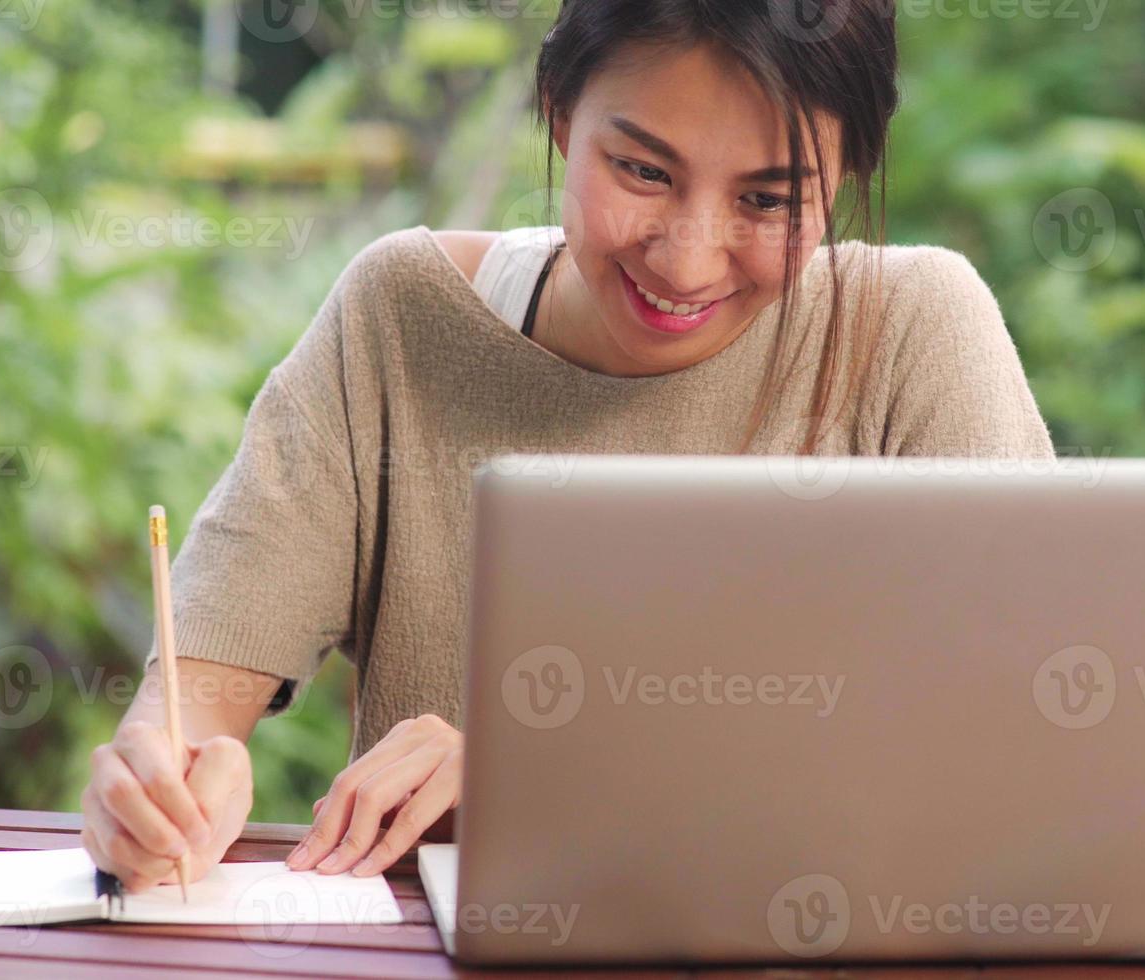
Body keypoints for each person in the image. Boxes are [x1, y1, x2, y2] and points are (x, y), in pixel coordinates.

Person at [80, 0, 1055, 894]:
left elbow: (1031, 746)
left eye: (767, 201)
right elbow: (197, 693)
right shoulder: (402, 320)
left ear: (847, 174)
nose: (684, 256)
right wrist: (162, 780)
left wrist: (546, 769)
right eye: (640, 170)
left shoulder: (914, 335)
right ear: (556, 111)